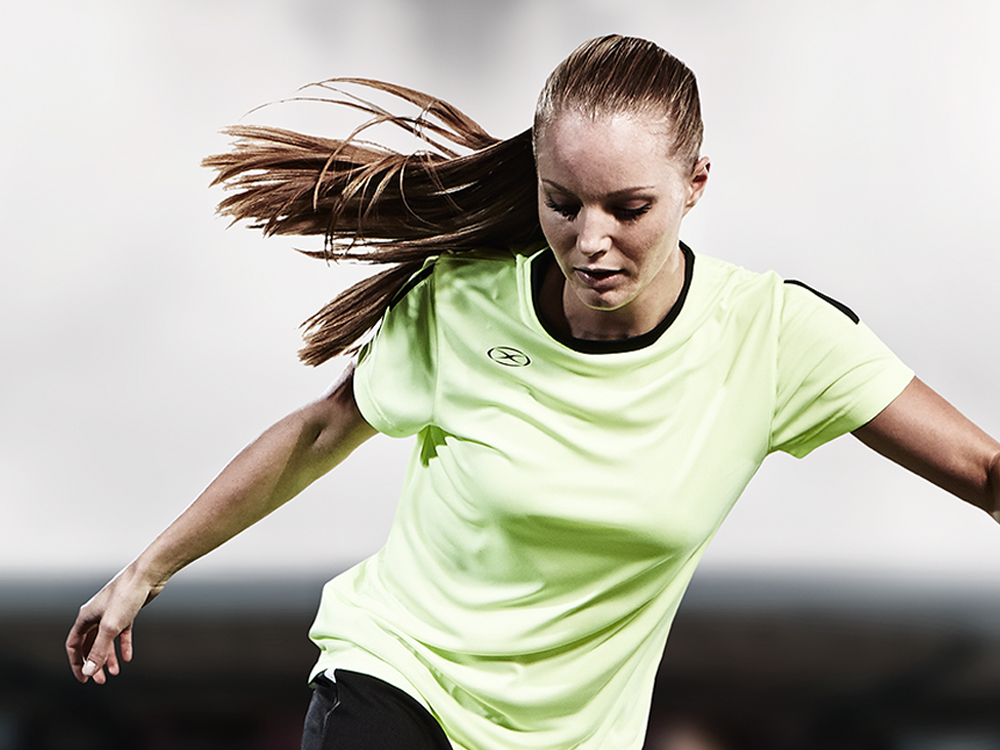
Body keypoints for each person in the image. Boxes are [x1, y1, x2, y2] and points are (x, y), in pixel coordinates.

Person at [66, 35, 1000, 750]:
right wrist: (146, 571)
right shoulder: (465, 304)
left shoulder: (775, 337)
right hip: (399, 678)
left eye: (628, 208)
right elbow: (319, 433)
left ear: (695, 185)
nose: (591, 239)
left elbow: (984, 470)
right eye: (563, 201)